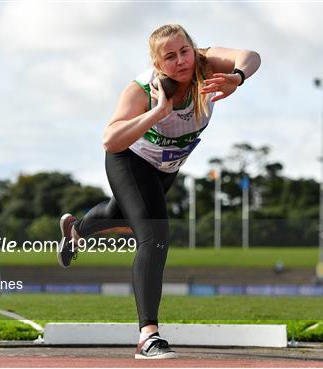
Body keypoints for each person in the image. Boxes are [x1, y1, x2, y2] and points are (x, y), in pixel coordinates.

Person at [58, 24, 261, 359]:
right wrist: (157, 113)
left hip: (165, 170)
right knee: (154, 235)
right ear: (157, 63)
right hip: (130, 161)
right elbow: (110, 139)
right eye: (169, 57)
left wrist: (237, 77)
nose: (181, 61)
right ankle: (148, 336)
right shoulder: (141, 90)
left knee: (117, 215)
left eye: (184, 51)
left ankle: (76, 229)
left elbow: (250, 56)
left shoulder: (206, 64)